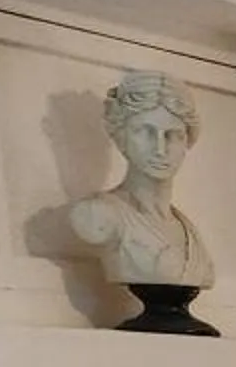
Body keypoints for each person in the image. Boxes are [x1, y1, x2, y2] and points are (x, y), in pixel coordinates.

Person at [68, 70, 214, 289]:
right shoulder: (99, 215)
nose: (160, 149)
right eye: (145, 132)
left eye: (173, 135)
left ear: (187, 142)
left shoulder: (186, 228)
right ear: (121, 137)